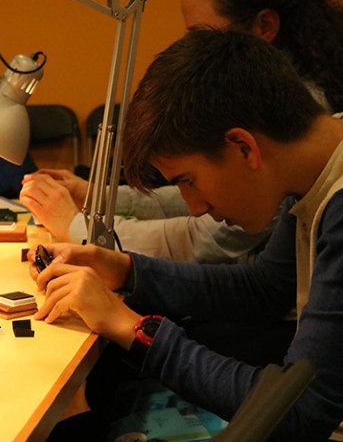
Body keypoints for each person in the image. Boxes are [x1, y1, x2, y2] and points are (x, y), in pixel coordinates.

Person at [32, 29, 343, 441]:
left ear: (243, 147)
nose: (195, 206)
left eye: (188, 181)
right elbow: (266, 288)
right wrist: (127, 270)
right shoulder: (315, 166)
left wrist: (131, 328)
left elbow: (299, 414)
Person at [20, 0, 343, 264]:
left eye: (203, 34)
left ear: (265, 26)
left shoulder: (296, 123)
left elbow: (208, 240)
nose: (197, 206)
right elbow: (206, 194)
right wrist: (98, 197)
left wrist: (76, 227)